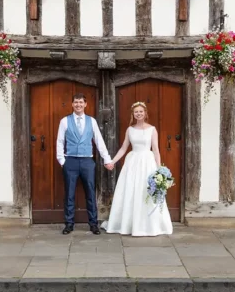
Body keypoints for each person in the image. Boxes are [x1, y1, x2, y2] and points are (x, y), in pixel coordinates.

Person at [103, 101, 173, 237]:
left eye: (141, 111)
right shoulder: (130, 130)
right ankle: (129, 224)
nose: (139, 114)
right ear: (133, 114)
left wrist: (159, 170)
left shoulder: (152, 129)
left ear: (145, 113)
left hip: (147, 162)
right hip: (133, 162)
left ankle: (150, 226)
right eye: (136, 112)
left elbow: (156, 150)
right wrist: (112, 161)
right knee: (131, 190)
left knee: (146, 191)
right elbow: (124, 148)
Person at [56, 93, 114, 235]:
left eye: (81, 102)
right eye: (76, 102)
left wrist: (107, 159)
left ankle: (93, 224)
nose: (78, 105)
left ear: (85, 104)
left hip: (87, 161)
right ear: (72, 104)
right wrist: (62, 161)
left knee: (90, 193)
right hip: (70, 160)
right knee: (69, 193)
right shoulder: (65, 121)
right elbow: (60, 141)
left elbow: (99, 141)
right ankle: (69, 224)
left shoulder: (91, 121)